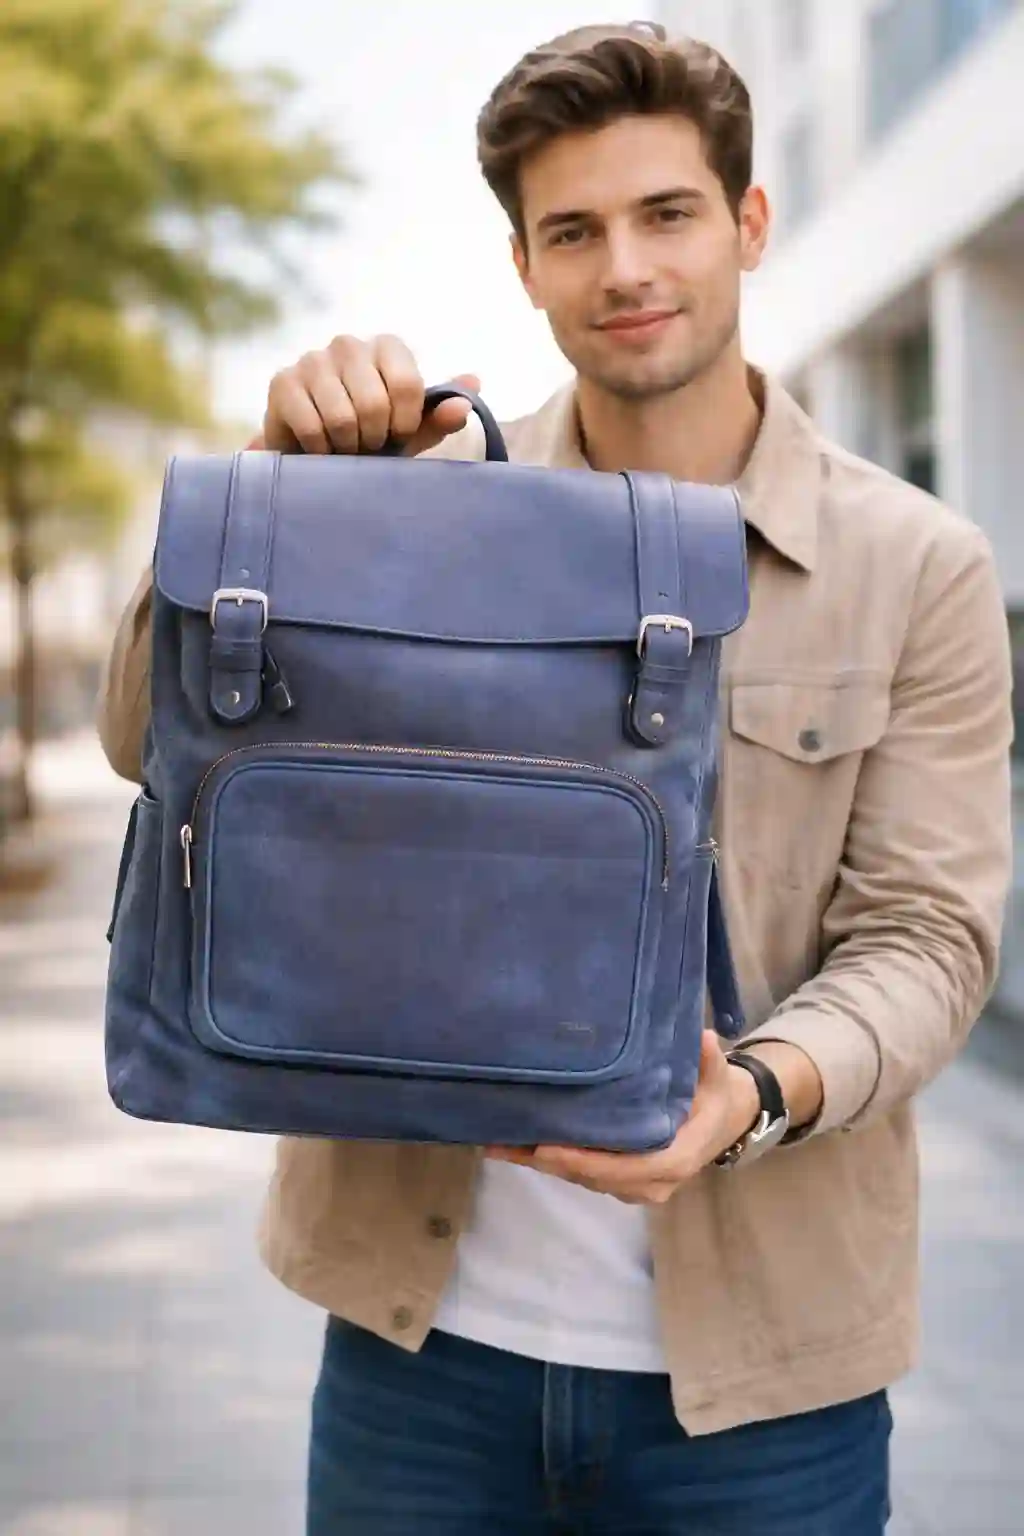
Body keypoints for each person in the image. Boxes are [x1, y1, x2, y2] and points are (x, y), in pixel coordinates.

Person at [97, 21, 1014, 1535]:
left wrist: (752, 1098)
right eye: (573, 231)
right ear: (523, 266)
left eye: (668, 214)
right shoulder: (411, 503)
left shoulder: (915, 566)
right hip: (421, 1361)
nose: (625, 268)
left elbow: (929, 937)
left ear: (749, 223)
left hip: (765, 1393)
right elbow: (146, 744)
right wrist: (276, 493)